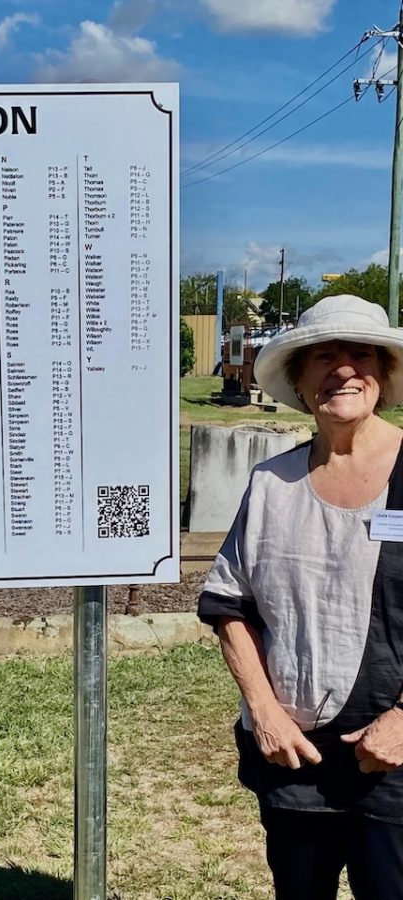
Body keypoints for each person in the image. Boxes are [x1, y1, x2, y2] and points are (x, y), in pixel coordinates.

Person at [199, 293, 403, 899]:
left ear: (385, 373)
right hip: (293, 752)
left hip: (393, 760)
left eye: (361, 354)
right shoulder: (272, 483)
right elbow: (227, 603)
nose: (343, 370)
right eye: (323, 357)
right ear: (297, 376)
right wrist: (263, 713)